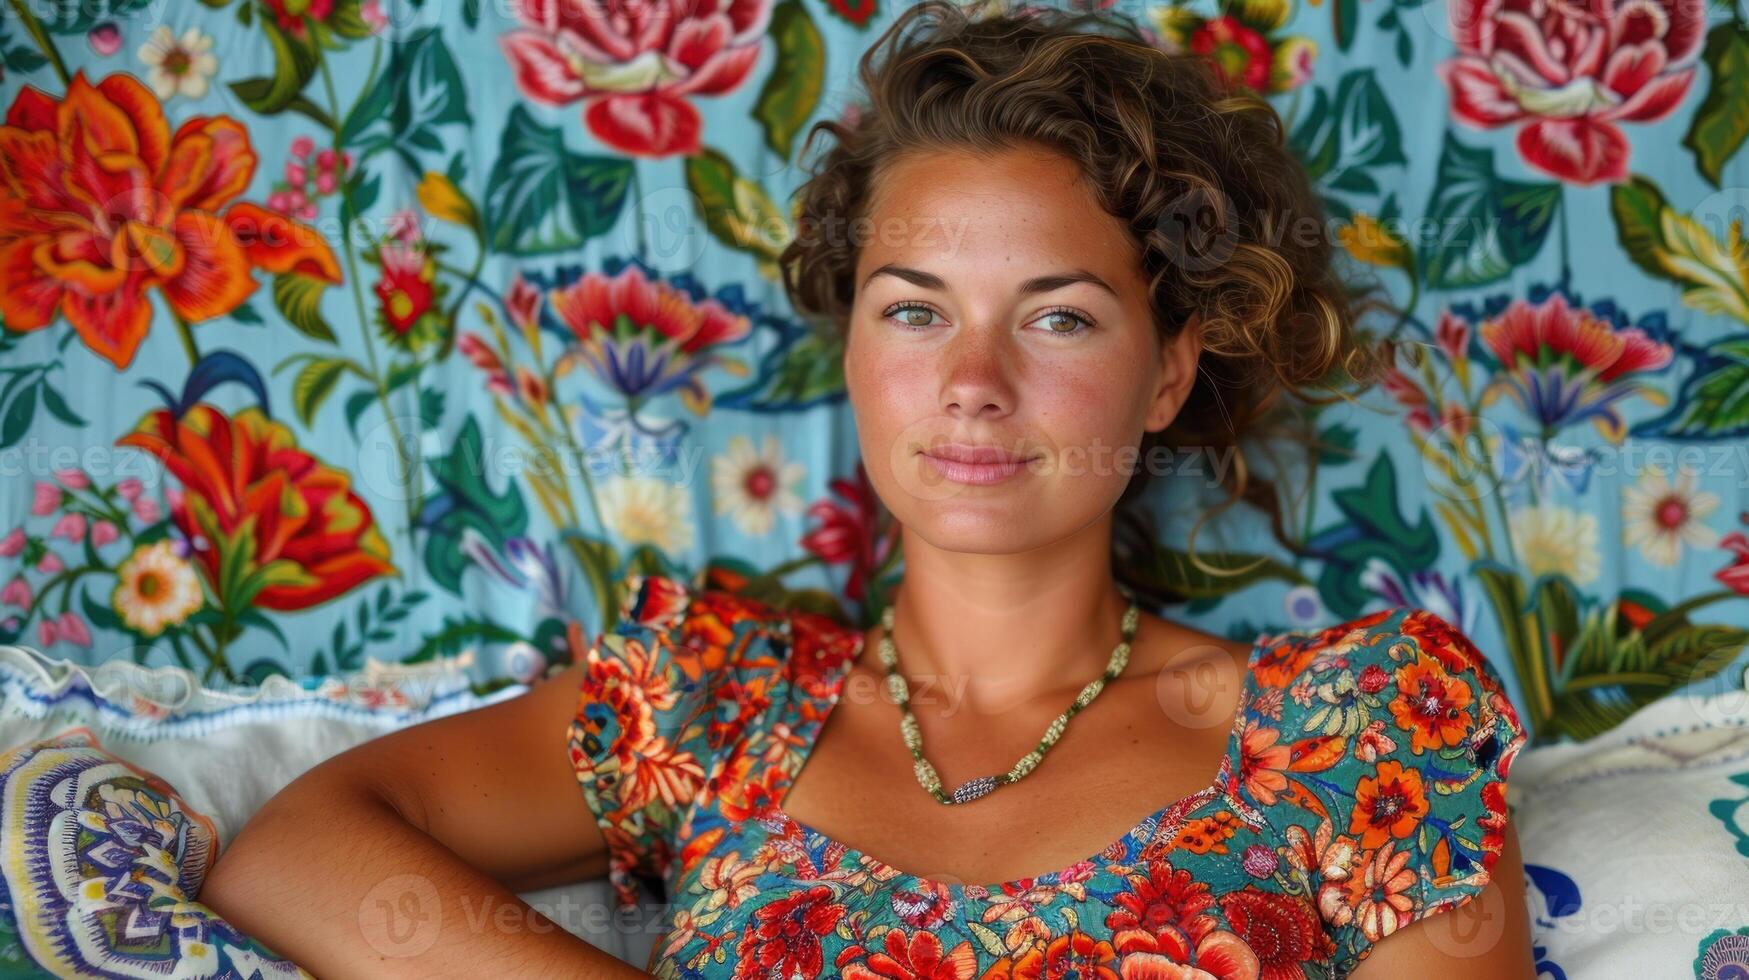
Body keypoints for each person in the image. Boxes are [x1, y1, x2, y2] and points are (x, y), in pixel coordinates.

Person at [200, 2, 1535, 976]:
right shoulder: (710, 702)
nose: (971, 379)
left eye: (1058, 319)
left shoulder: (1357, 727)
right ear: (849, 344)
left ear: (1170, 370)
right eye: (912, 312)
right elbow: (297, 850)